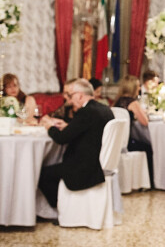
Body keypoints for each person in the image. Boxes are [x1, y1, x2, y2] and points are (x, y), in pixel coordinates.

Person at [38, 78, 114, 209]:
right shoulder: (103, 109)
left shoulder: (86, 112)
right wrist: (69, 125)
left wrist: (50, 126)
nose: (69, 100)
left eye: (71, 96)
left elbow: (61, 139)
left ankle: (61, 208)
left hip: (83, 167)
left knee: (43, 175)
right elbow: (91, 130)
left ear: (80, 95)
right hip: (97, 163)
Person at [113, 75, 154, 187]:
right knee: (149, 147)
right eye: (138, 86)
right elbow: (145, 122)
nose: (139, 88)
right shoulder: (133, 103)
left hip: (117, 141)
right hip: (128, 142)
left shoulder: (118, 101)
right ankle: (149, 182)